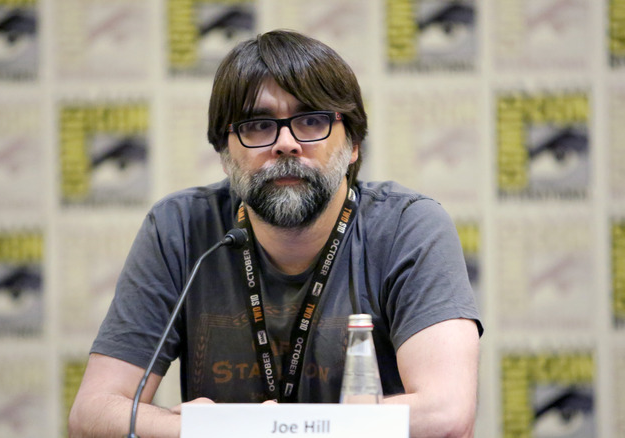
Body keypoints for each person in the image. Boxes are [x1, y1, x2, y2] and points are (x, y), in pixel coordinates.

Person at [69, 29, 482, 438]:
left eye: (312, 120)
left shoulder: (408, 227)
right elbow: (91, 413)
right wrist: (189, 429)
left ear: (353, 144)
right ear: (224, 152)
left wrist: (258, 429)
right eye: (257, 125)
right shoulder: (180, 228)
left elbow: (446, 414)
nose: (285, 144)